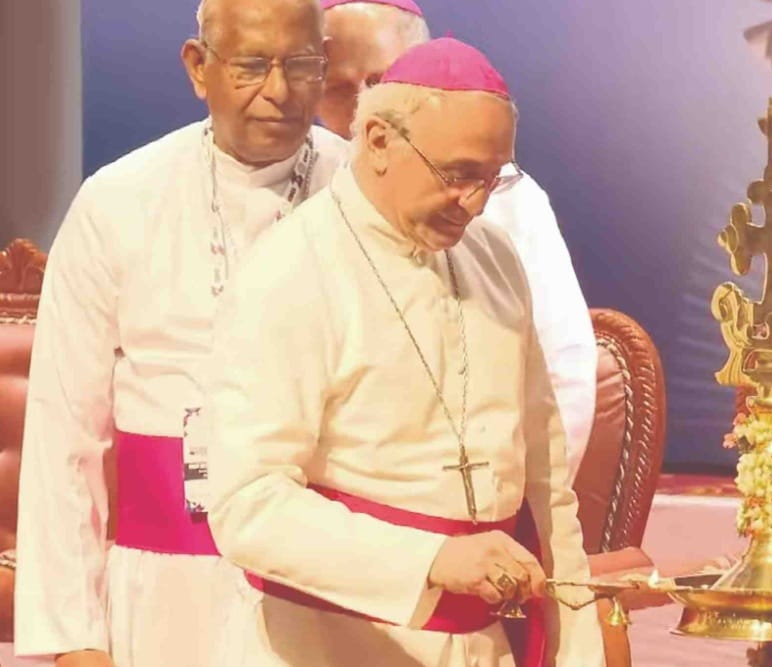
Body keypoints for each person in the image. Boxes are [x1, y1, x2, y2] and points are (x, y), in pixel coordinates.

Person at [204, 38, 605, 667]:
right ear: (378, 141)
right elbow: (247, 504)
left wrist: (579, 648)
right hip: (330, 644)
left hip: (482, 648)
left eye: (492, 179)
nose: (474, 203)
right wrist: (433, 558)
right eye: (458, 174)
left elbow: (546, 482)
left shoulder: (495, 258)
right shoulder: (290, 270)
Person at [13, 1, 347, 665]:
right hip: (164, 589)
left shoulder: (368, 196)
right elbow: (64, 432)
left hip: (332, 591)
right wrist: (75, 638)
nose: (279, 91)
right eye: (251, 65)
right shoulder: (118, 200)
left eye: (300, 65)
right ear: (198, 67)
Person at [318, 0, 598, 479]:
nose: (362, 107)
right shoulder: (310, 188)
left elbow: (561, 368)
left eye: (380, 82)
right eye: (337, 88)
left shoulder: (508, 199)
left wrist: (531, 501)